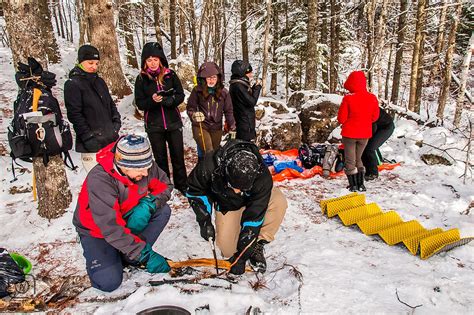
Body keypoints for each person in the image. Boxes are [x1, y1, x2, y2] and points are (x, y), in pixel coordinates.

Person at [73, 134, 173, 292]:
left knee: (163, 211)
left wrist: (150, 204)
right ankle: (126, 252)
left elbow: (165, 186)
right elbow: (111, 227)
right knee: (108, 282)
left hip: (127, 217)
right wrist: (145, 255)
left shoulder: (144, 165)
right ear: (122, 165)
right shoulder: (101, 180)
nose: (146, 173)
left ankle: (129, 254)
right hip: (97, 231)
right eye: (140, 169)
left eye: (147, 167)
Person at [186, 139, 287, 275]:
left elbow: (254, 217)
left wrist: (243, 255)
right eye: (233, 186)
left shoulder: (262, 176)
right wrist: (204, 220)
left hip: (252, 201)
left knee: (279, 202)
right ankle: (238, 231)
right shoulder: (210, 165)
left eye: (242, 188)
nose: (237, 191)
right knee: (228, 250)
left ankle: (258, 244)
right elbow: (195, 190)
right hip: (227, 204)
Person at [134, 42, 187, 194]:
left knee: (178, 155)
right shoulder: (141, 79)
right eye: (149, 60)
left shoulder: (170, 75)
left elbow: (180, 94)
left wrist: (170, 101)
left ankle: (182, 186)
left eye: (155, 60)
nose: (152, 63)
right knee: (160, 158)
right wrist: (152, 101)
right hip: (154, 125)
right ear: (145, 62)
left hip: (173, 122)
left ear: (160, 60)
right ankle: (165, 187)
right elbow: (140, 103)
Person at [64, 44, 121, 172]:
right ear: (81, 62)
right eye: (90, 63)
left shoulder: (100, 81)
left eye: (96, 63)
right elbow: (74, 114)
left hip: (110, 139)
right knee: (98, 181)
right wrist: (88, 137)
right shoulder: (73, 84)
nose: (94, 66)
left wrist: (116, 122)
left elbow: (110, 104)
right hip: (91, 144)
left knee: (114, 180)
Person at [337, 71, 379, 192]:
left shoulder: (348, 98)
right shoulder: (372, 98)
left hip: (350, 134)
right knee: (359, 158)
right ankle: (361, 184)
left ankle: (353, 185)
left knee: (350, 160)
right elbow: (375, 117)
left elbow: (341, 118)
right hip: (365, 134)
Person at [187, 62, 236, 155]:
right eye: (209, 78)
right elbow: (190, 108)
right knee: (208, 150)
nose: (211, 80)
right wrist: (194, 115)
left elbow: (228, 111)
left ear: (218, 78)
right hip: (201, 125)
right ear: (204, 78)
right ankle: (203, 168)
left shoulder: (224, 92)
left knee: (214, 153)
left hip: (216, 127)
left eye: (214, 77)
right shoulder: (197, 91)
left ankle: (208, 168)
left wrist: (232, 125)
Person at [229, 60, 262, 142]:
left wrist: (254, 87)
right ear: (242, 73)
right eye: (249, 73)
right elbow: (251, 102)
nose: (251, 75)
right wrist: (257, 88)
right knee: (245, 146)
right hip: (244, 124)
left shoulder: (239, 84)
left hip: (244, 122)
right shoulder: (238, 86)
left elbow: (246, 98)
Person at [362, 107, 395, 181]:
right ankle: (376, 162)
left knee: (369, 148)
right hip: (379, 126)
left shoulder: (368, 109)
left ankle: (373, 173)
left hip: (386, 127)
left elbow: (373, 128)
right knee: (367, 145)